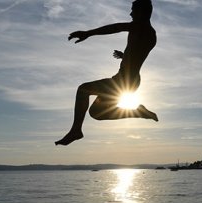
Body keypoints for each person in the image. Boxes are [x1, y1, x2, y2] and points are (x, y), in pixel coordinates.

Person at [55, 0, 158, 146]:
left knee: (83, 89)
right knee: (96, 112)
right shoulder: (146, 32)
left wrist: (88, 33)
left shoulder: (141, 27)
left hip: (125, 81)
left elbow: (115, 27)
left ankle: (76, 131)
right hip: (127, 80)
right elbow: (138, 54)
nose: (130, 13)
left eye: (133, 10)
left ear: (142, 12)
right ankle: (138, 112)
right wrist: (125, 56)